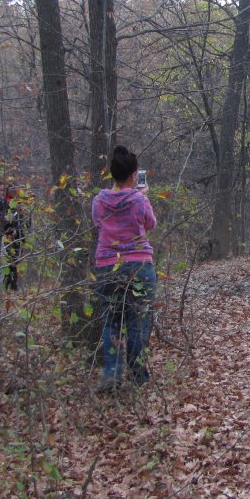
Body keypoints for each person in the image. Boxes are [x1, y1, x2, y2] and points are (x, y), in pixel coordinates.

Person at [92, 146, 158, 392]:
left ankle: (111, 374)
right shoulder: (139, 200)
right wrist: (143, 196)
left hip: (108, 267)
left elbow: (97, 222)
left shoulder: (99, 201)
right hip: (139, 265)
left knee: (111, 320)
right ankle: (138, 375)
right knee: (138, 321)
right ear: (133, 174)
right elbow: (150, 224)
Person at [2, 185, 27, 291]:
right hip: (7, 237)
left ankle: (13, 285)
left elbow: (23, 221)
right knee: (9, 261)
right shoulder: (4, 202)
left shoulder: (19, 204)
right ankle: (7, 284)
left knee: (15, 261)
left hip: (18, 237)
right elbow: (5, 221)